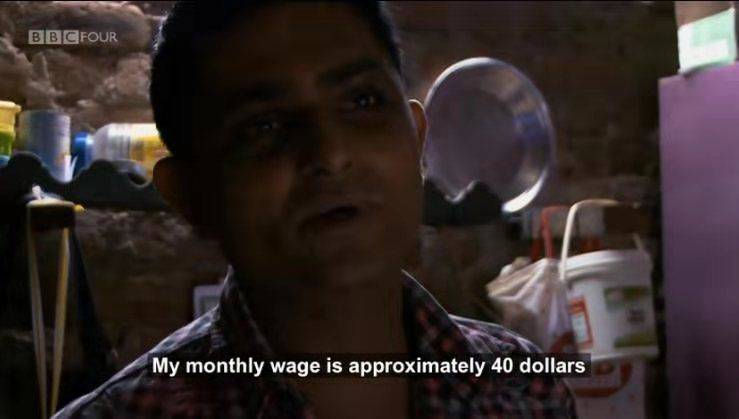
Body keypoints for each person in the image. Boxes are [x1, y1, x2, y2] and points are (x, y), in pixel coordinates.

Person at [54, 1, 576, 418]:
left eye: (364, 101)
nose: (330, 153)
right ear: (190, 195)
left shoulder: (524, 392)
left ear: (417, 141)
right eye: (262, 126)